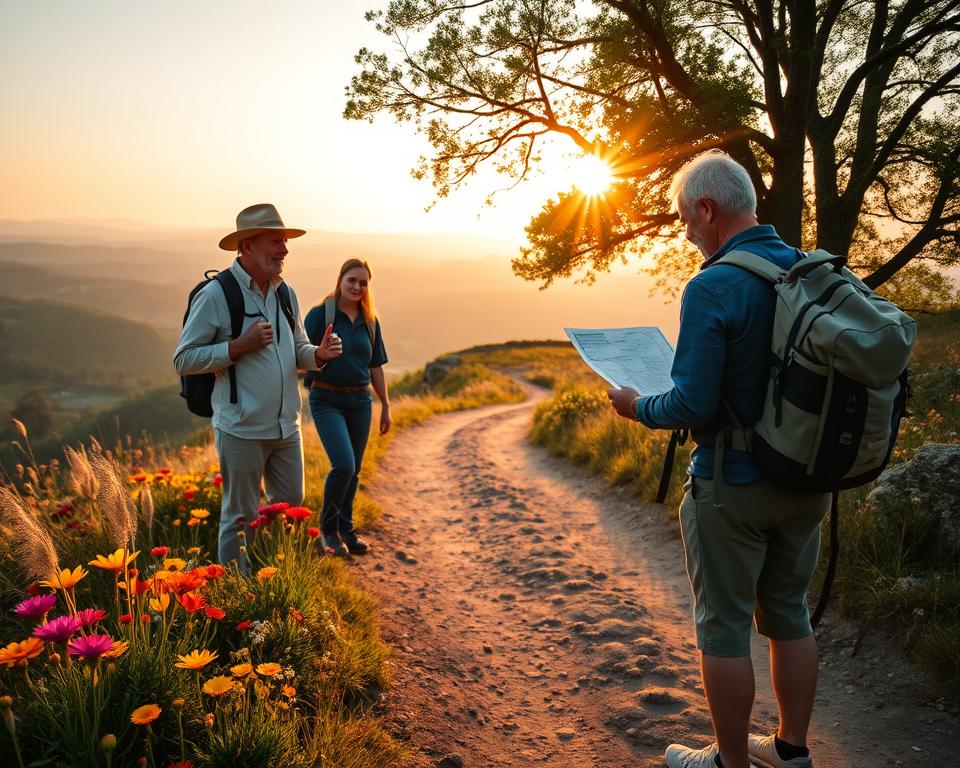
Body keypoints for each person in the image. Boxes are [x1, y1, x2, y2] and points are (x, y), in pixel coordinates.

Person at [608, 151, 830, 768]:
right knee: (790, 615)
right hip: (809, 479)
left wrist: (636, 405)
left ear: (707, 209)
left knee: (724, 626)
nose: (686, 233)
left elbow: (693, 402)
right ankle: (791, 752)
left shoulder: (713, 285)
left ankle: (730, 762)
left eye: (686, 220)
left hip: (732, 483)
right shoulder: (810, 271)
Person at [174, 203, 341, 574]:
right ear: (247, 245)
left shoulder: (285, 293)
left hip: (286, 428)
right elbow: (183, 359)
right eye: (275, 242)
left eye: (284, 241)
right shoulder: (218, 294)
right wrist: (238, 346)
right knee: (239, 517)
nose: (284, 250)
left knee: (288, 506)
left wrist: (320, 354)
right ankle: (240, 596)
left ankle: (273, 582)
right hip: (241, 428)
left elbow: (298, 348)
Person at [304, 258, 390, 557]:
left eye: (363, 282)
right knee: (344, 465)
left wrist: (386, 405)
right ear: (340, 279)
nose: (357, 286)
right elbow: (299, 356)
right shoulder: (320, 315)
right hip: (326, 399)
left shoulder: (370, 320)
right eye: (352, 280)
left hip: (361, 401)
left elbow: (375, 365)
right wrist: (321, 355)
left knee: (354, 471)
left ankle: (346, 528)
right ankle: (328, 530)